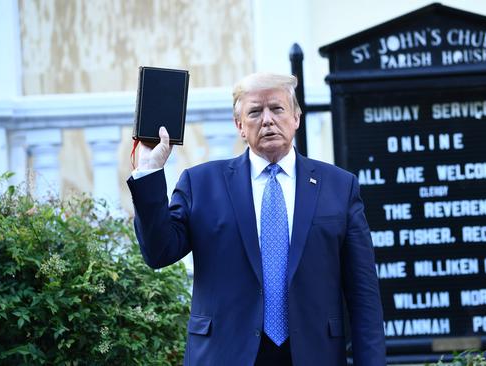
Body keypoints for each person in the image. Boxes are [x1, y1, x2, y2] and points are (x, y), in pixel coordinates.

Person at [127, 73, 385, 365]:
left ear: (296, 117)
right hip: (225, 354)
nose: (267, 120)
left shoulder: (339, 186)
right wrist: (149, 171)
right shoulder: (201, 184)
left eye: (277, 108)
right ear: (239, 125)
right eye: (254, 112)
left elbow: (364, 297)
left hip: (314, 354)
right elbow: (159, 252)